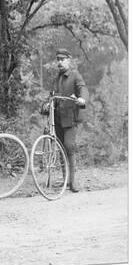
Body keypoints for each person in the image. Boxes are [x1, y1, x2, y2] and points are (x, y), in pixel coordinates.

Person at [48, 48, 89, 193]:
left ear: (68, 60)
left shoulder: (74, 75)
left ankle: (73, 182)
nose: (60, 62)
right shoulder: (55, 79)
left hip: (70, 119)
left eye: (62, 59)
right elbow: (51, 97)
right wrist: (47, 105)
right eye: (58, 59)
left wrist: (82, 99)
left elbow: (82, 88)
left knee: (69, 146)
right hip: (57, 119)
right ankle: (65, 179)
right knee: (60, 148)